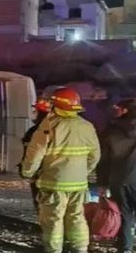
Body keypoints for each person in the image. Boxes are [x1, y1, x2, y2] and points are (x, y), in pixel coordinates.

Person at [21, 87, 100, 253]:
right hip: (78, 184)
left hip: (54, 183)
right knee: (77, 217)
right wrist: (83, 172)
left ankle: (54, 249)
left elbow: (35, 153)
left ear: (55, 106)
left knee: (53, 219)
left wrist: (27, 172)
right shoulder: (87, 126)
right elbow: (95, 156)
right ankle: (80, 249)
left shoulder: (49, 126)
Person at [98, 98, 136, 253]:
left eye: (118, 108)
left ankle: (125, 248)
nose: (116, 111)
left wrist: (102, 183)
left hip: (119, 179)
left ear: (125, 110)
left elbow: (104, 159)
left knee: (124, 214)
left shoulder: (111, 130)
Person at [21, 97, 51, 211]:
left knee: (41, 205)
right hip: (55, 175)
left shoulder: (35, 131)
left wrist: (26, 172)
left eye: (36, 111)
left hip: (40, 176)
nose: (34, 113)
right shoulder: (58, 129)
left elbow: (31, 155)